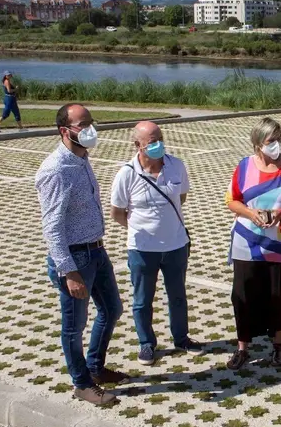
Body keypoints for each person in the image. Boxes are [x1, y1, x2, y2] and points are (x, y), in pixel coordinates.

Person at [35, 103, 127, 406]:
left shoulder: (81, 158)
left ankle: (95, 367)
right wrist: (69, 271)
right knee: (73, 327)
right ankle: (81, 383)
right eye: (82, 124)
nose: (90, 129)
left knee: (112, 309)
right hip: (75, 260)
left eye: (91, 122)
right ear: (65, 131)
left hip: (96, 252)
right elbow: (52, 226)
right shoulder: (55, 170)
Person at [110, 121, 203, 368]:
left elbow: (180, 198)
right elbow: (117, 212)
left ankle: (181, 339)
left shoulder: (176, 166)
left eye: (160, 138)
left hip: (176, 245)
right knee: (142, 299)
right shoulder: (127, 174)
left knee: (178, 296)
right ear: (137, 145)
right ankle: (147, 343)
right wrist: (142, 230)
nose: (158, 144)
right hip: (142, 249)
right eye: (151, 141)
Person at [224, 118, 281, 370]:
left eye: (278, 139)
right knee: (242, 296)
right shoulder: (243, 167)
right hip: (248, 244)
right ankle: (242, 348)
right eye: (270, 141)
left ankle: (278, 346)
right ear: (257, 143)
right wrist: (251, 214)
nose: (275, 145)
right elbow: (232, 201)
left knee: (279, 295)